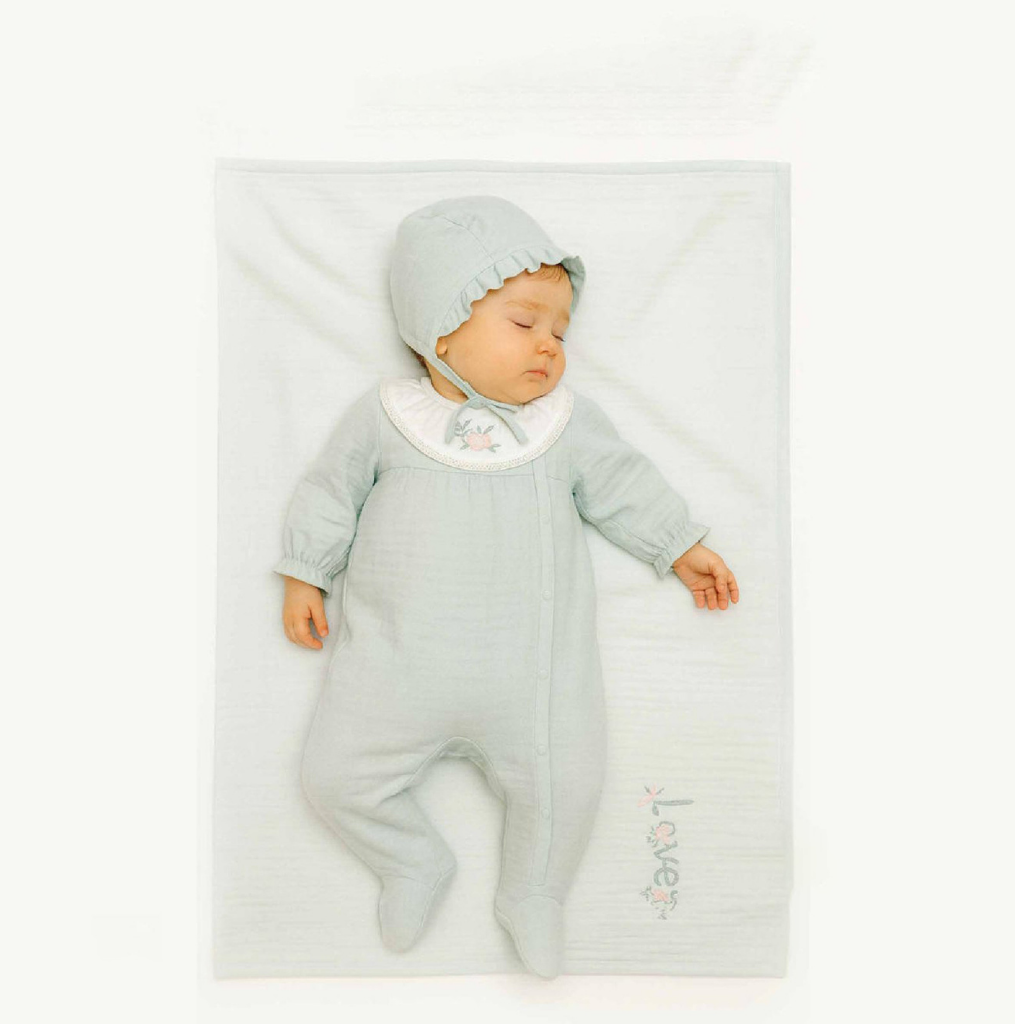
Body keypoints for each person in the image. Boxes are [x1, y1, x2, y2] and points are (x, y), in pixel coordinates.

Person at [275, 195, 739, 978]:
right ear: (440, 328)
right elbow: (329, 492)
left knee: (568, 785)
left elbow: (624, 483)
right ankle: (411, 860)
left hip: (534, 679)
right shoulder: (385, 416)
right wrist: (305, 574)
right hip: (394, 670)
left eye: (560, 332)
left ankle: (535, 893)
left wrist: (679, 544)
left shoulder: (564, 423)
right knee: (332, 777)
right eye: (524, 323)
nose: (549, 346)